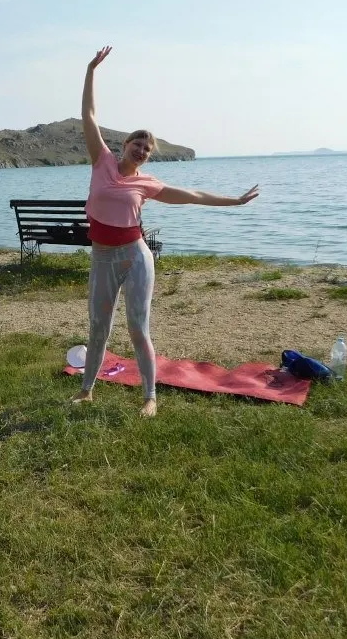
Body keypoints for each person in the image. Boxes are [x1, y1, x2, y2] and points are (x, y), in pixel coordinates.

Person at [74, 46, 260, 415]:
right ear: (124, 145)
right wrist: (91, 69)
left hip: (134, 257)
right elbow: (89, 114)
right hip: (102, 257)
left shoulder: (148, 184)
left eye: (147, 149)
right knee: (98, 327)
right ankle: (86, 391)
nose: (142, 150)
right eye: (137, 144)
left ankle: (149, 398)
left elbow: (192, 195)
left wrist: (234, 201)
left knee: (137, 327)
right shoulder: (101, 161)